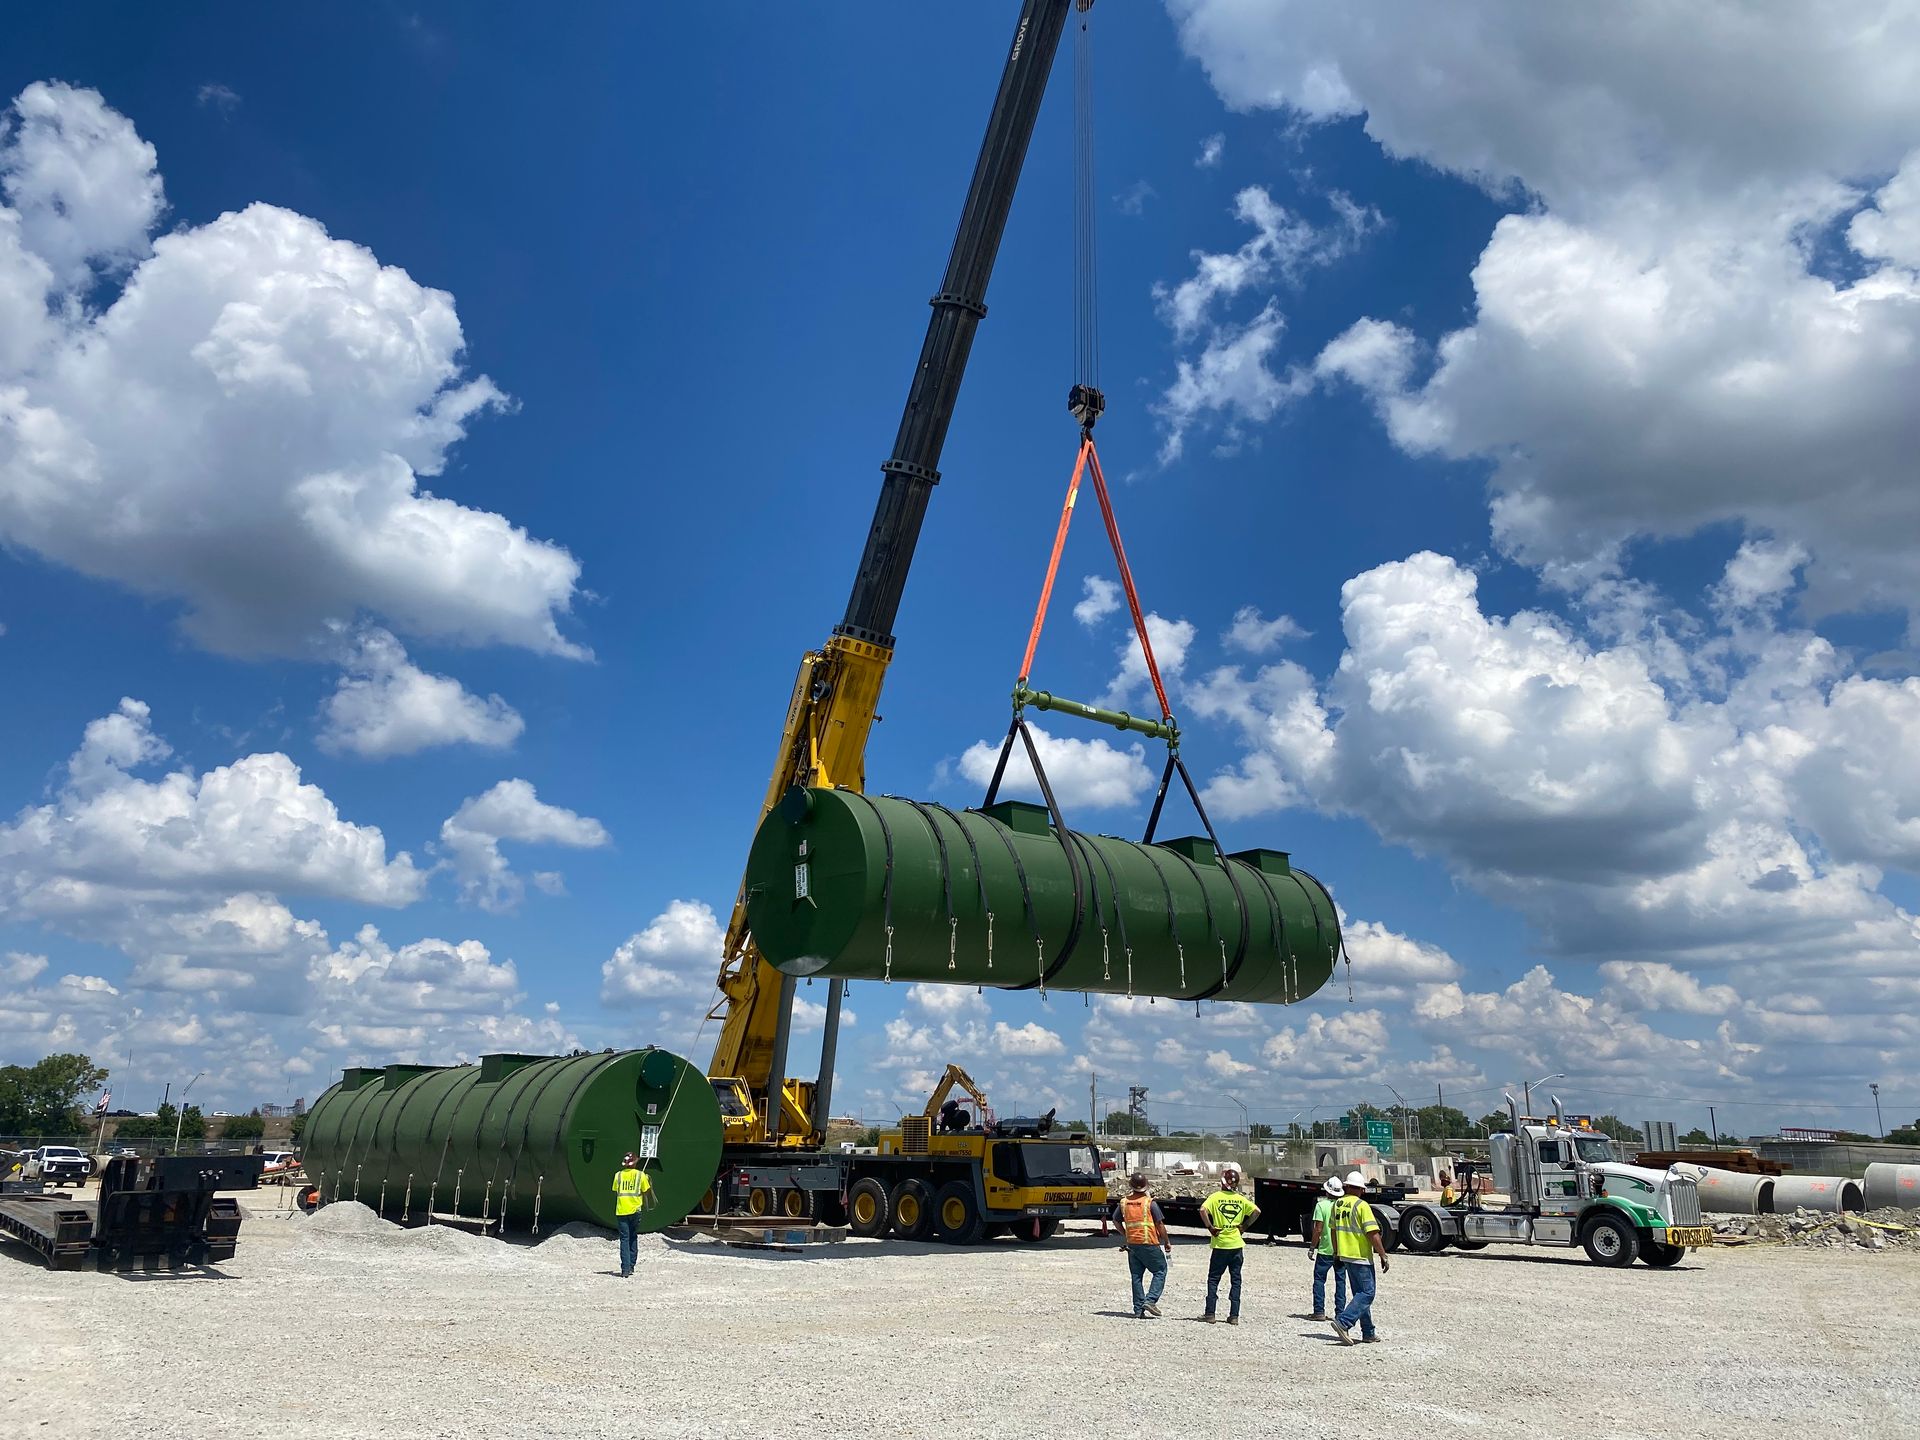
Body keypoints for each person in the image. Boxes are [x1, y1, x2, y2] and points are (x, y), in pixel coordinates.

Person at [1329, 1169, 1388, 1344]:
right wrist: (1383, 1255)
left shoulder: (1337, 1205)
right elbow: (1373, 1233)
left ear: (1347, 1187)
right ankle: (1344, 1322)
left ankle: (1368, 1332)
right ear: (1361, 1190)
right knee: (1367, 1293)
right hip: (1360, 1255)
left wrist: (1336, 1251)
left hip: (1345, 1254)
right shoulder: (1362, 1206)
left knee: (1359, 1294)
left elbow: (1333, 1230)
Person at [1200, 1165, 1260, 1324]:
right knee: (1236, 1280)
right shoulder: (1240, 1199)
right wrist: (1244, 1226)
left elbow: (1202, 1210)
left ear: (1223, 1182)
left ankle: (1210, 1313)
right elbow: (1257, 1211)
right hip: (1236, 1244)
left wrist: (1210, 1228)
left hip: (1220, 1245)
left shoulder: (1215, 1197)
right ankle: (1234, 1315)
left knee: (1213, 1279)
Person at [1114, 1172, 1173, 1318]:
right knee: (1160, 1270)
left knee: (1136, 1276)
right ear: (1146, 1186)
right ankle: (1150, 1300)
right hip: (1149, 1243)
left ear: (1131, 1186)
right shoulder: (1149, 1203)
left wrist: (1126, 1234)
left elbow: (1116, 1220)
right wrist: (1166, 1241)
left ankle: (1139, 1310)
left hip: (1132, 1243)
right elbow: (1159, 1224)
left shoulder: (1124, 1202)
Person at [1307, 1175, 1347, 1321]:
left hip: (1325, 1249)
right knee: (1340, 1281)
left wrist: (1312, 1247)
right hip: (1341, 1250)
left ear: (1327, 1191)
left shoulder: (1321, 1206)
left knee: (1319, 1280)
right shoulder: (1343, 1206)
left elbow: (1318, 1229)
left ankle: (1319, 1311)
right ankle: (1340, 1313)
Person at [612, 1152, 653, 1278]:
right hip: (635, 1210)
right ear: (635, 1163)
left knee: (624, 1239)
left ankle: (625, 1269)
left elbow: (616, 1190)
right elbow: (646, 1190)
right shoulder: (641, 1175)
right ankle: (631, 1266)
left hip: (621, 1211)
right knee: (633, 1237)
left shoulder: (618, 1175)